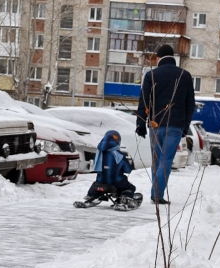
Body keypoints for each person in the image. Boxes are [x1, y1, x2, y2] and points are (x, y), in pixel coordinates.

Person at [136, 44, 196, 205]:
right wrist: (185, 127)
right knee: (166, 160)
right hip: (175, 125)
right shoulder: (185, 75)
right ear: (173, 57)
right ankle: (157, 194)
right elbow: (190, 104)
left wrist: (140, 124)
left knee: (156, 159)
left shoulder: (151, 75)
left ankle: (156, 192)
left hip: (155, 124)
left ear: (158, 58)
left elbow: (144, 101)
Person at [74, 130, 143, 211]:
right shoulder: (119, 155)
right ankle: (125, 198)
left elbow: (95, 166)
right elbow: (128, 170)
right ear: (117, 141)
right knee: (130, 187)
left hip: (100, 182)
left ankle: (91, 195)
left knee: (97, 182)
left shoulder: (99, 153)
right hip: (117, 182)